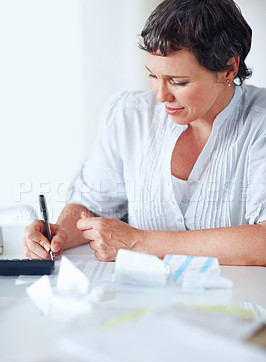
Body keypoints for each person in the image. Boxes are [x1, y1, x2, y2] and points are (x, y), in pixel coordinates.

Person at [24, 0, 266, 266]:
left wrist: (139, 242)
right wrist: (60, 234)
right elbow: (92, 205)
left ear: (229, 69)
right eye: (153, 76)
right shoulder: (128, 114)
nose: (161, 96)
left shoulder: (259, 123)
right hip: (141, 301)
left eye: (178, 81)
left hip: (236, 302)